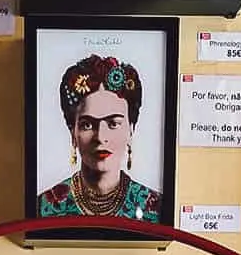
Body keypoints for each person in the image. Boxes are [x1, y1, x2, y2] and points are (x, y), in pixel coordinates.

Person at [37, 54, 162, 221]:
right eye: (87, 125)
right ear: (72, 132)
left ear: (131, 130)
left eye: (113, 123)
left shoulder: (154, 208)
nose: (101, 137)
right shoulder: (44, 208)